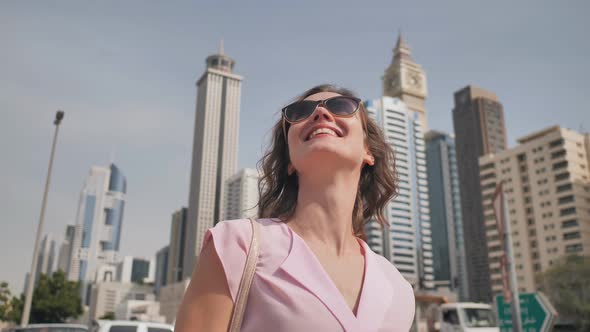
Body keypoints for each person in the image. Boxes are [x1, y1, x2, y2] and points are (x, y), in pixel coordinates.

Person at [175, 84, 415, 331]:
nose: (320, 114)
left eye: (341, 106)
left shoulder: (398, 288)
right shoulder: (237, 246)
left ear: (368, 150)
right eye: (301, 112)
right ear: (289, 159)